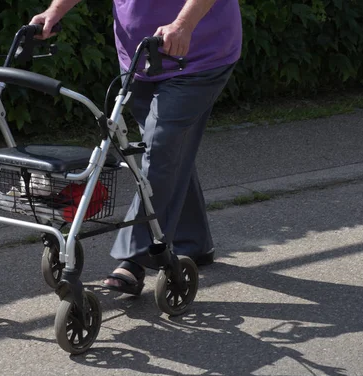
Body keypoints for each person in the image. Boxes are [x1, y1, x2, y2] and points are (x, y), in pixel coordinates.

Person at [31, 0, 242, 295]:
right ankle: (194, 242)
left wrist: (183, 25)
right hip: (140, 59)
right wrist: (55, 11)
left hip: (198, 56)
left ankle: (136, 256)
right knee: (168, 150)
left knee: (161, 147)